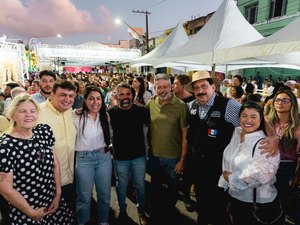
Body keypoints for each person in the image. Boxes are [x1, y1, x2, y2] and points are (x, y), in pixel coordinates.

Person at [185, 70, 280, 225]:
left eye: (204, 86)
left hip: (220, 171)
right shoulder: (191, 106)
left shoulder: (229, 105)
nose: (200, 91)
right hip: (198, 169)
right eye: (196, 88)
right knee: (202, 206)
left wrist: (274, 136)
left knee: (219, 210)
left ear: (213, 87)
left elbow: (253, 117)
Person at [0, 93, 74, 224]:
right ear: (12, 115)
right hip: (25, 209)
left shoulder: (44, 131)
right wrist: (31, 213)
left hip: (52, 202)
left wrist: (58, 195)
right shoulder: (5, 146)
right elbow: (6, 189)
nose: (29, 115)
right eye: (22, 111)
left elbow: (55, 164)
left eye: (32, 111)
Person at [218, 101, 281, 225]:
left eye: (253, 116)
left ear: (261, 119)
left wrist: (229, 177)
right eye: (244, 115)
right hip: (234, 197)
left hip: (257, 203)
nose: (248, 120)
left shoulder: (265, 144)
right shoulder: (236, 133)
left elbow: (261, 176)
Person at [146, 73, 189, 220]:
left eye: (166, 86)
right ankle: (158, 215)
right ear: (155, 89)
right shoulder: (151, 103)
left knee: (172, 191)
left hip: (173, 159)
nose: (162, 90)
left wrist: (182, 160)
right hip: (154, 156)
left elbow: (185, 136)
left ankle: (170, 216)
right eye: (159, 87)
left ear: (171, 87)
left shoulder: (181, 106)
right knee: (156, 189)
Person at [108, 83, 150, 225]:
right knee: (121, 185)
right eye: (122, 94)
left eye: (128, 94)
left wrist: (147, 152)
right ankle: (123, 210)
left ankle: (141, 211)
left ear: (132, 95)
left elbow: (146, 133)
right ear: (116, 96)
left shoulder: (142, 111)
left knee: (140, 185)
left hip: (138, 156)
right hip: (120, 157)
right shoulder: (111, 113)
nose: (125, 97)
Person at [74, 85, 112, 225]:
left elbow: (110, 136)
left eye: (98, 98)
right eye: (91, 99)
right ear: (84, 100)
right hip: (84, 160)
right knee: (84, 197)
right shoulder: (76, 116)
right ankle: (82, 222)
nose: (95, 102)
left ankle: (103, 221)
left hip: (103, 158)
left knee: (104, 195)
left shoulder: (105, 115)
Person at [37, 81, 76, 206]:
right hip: (47, 181)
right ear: (52, 94)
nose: (67, 99)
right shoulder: (37, 113)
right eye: (63, 95)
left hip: (69, 177)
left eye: (71, 96)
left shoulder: (70, 111)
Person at [266, 89, 300, 222]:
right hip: (266, 168)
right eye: (278, 100)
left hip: (286, 169)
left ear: (292, 104)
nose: (281, 103)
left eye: (285, 100)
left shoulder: (297, 126)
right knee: (268, 207)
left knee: (282, 207)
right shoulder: (267, 121)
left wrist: (295, 179)